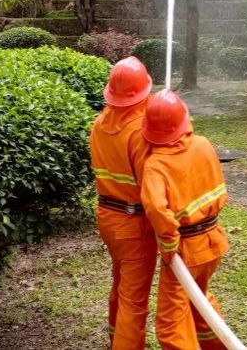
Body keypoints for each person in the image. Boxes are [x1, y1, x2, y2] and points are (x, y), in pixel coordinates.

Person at [140, 89, 230, 350]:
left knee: (171, 324)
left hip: (186, 252)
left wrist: (169, 251)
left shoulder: (155, 165)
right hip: (212, 242)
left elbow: (157, 211)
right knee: (197, 301)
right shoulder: (203, 145)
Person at [90, 56, 156, 350]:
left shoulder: (100, 123)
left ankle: (115, 338)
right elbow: (149, 186)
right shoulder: (139, 131)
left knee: (120, 283)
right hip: (134, 224)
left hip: (108, 217)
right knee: (134, 298)